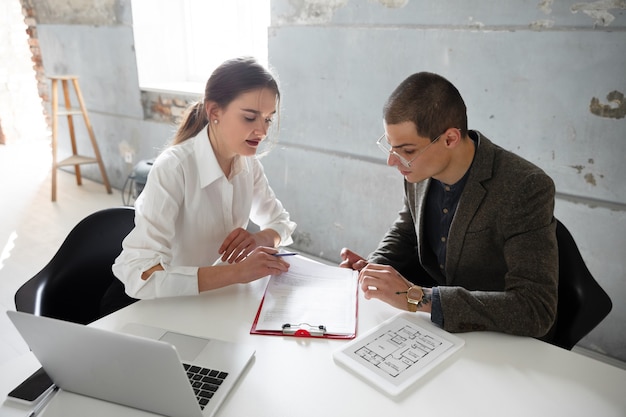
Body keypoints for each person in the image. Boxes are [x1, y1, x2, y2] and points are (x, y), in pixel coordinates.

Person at [340, 71, 558, 338]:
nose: (393, 161)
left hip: (493, 338)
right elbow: (407, 232)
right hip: (433, 331)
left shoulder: (524, 186)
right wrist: (373, 271)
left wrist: (416, 297)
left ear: (450, 138)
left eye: (407, 151)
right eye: (391, 147)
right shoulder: (417, 170)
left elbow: (535, 309)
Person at [109, 57, 296, 305]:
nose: (262, 131)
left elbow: (280, 222)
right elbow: (139, 275)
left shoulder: (248, 163)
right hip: (157, 305)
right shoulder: (174, 168)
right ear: (214, 112)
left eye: (268, 118)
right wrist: (237, 272)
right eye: (250, 118)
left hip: (208, 300)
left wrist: (259, 239)